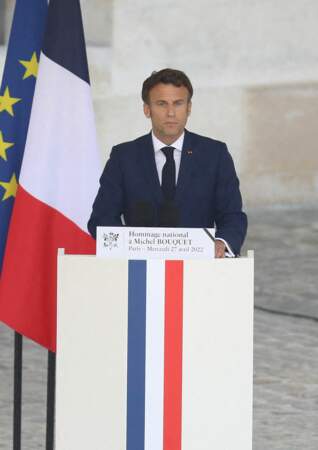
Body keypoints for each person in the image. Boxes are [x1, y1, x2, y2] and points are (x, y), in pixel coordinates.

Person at [88, 68, 247, 257]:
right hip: (137, 271)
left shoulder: (215, 155)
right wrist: (126, 247)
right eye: (161, 104)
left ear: (189, 108)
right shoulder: (123, 157)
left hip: (200, 271)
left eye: (178, 103)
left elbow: (232, 216)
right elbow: (102, 218)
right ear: (147, 109)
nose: (171, 113)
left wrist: (221, 243)